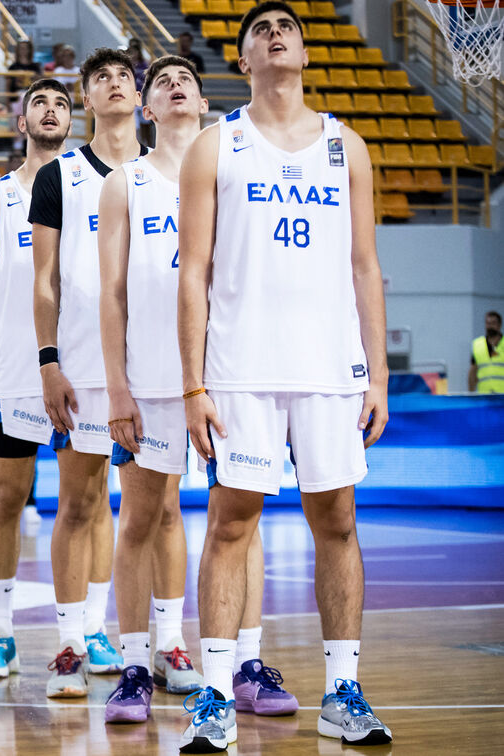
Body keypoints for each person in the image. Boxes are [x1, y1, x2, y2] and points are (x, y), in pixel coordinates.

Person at [176, 4, 391, 750]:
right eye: (260, 30)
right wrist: (193, 385)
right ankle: (211, 696)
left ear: (303, 53)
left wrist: (379, 377)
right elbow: (193, 273)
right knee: (232, 524)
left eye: (288, 28)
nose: (277, 34)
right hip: (241, 368)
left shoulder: (348, 147)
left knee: (337, 522)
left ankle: (342, 692)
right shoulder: (216, 146)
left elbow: (366, 266)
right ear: (242, 61)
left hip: (331, 367)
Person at [95, 56, 210, 724]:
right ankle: (135, 662)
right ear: (148, 107)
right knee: (140, 518)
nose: (172, 86)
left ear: (201, 101)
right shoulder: (126, 184)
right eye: (160, 82)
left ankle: (183, 647)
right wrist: (117, 387)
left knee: (224, 521)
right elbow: (111, 295)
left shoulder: (227, 172)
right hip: (149, 378)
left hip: (221, 378)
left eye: (184, 80)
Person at [29, 48, 148, 698]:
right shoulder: (61, 175)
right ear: (86, 97)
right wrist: (48, 361)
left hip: (154, 366)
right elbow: (44, 282)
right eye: (99, 77)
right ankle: (72, 642)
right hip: (81, 362)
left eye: (124, 76)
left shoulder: (171, 171)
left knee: (149, 514)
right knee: (78, 503)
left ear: (141, 95)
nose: (113, 85)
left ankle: (147, 639)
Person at [0, 78, 73, 680]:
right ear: (21, 122)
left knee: (85, 501)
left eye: (60, 103)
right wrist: (7, 338)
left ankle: (82, 637)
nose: (51, 111)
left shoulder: (94, 186)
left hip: (83, 366)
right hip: (18, 369)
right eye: (39, 105)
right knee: (6, 494)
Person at [470, 311, 504, 393]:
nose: (490, 326)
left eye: (493, 323)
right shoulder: (477, 344)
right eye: (488, 323)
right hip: (484, 395)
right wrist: (471, 394)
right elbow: (473, 372)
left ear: (499, 325)